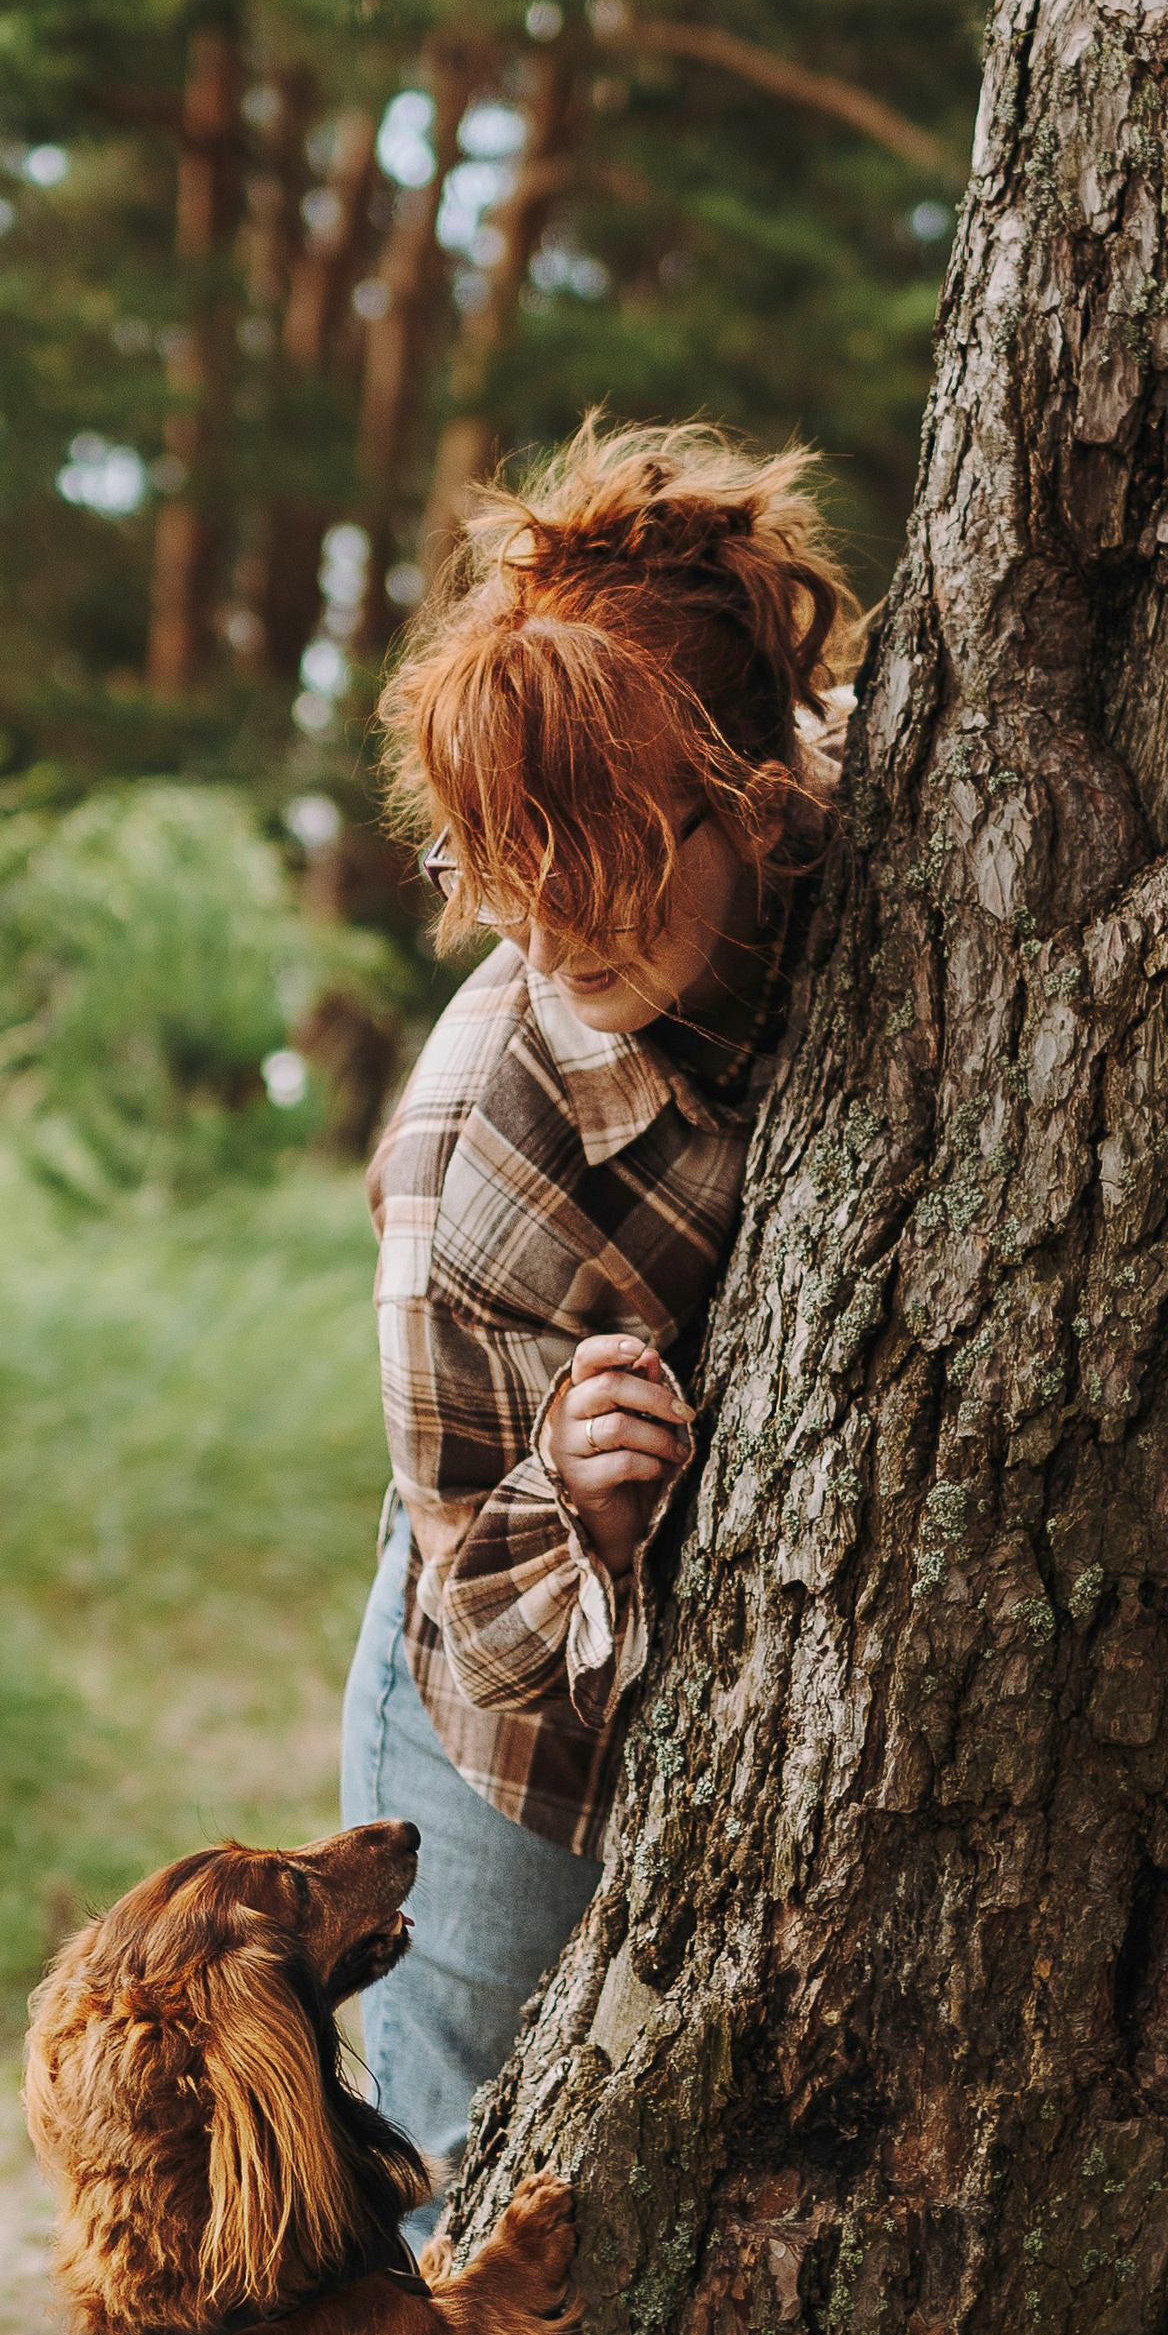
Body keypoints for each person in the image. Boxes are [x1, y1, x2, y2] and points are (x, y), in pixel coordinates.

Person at [339, 419, 856, 2219]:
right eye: (509, 867)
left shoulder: (879, 821)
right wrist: (583, 1493)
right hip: (503, 1713)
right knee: (469, 2161)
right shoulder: (470, 1161)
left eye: (613, 859)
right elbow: (475, 1591)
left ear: (755, 788)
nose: (554, 934)